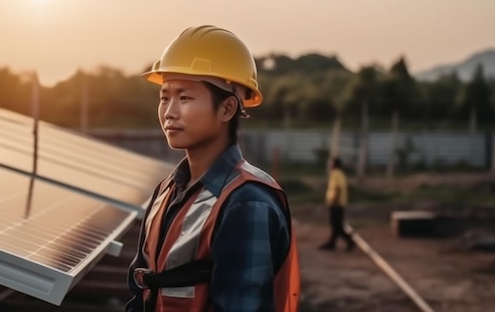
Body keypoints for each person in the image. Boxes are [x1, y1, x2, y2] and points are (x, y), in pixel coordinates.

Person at [125, 25, 300, 312]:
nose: (169, 111)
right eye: (164, 97)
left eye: (184, 97)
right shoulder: (167, 191)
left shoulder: (247, 202)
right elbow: (141, 291)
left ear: (227, 109)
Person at [319, 157, 355, 251]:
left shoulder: (335, 174)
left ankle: (349, 241)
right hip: (339, 203)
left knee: (337, 225)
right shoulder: (341, 174)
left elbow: (337, 188)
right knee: (336, 225)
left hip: (336, 204)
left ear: (334, 164)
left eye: (330, 163)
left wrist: (334, 201)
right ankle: (332, 243)